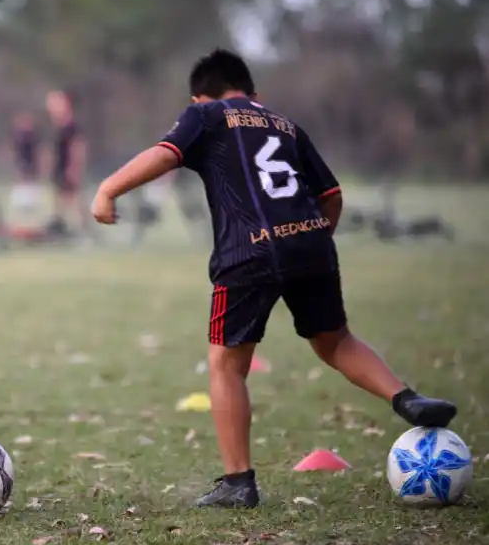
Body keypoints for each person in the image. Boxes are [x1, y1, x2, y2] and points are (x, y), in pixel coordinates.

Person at [90, 49, 457, 509]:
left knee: (227, 365)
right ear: (253, 94)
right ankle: (406, 398)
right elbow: (332, 194)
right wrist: (310, 244)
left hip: (247, 250)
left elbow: (166, 155)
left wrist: (108, 190)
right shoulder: (284, 124)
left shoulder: (204, 114)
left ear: (200, 96)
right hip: (311, 241)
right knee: (335, 340)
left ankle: (237, 482)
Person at [46, 90, 89, 237]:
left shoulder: (71, 126)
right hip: (59, 169)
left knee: (75, 202)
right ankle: (61, 230)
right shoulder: (58, 127)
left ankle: (84, 231)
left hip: (68, 168)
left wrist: (74, 168)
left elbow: (77, 148)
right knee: (60, 203)